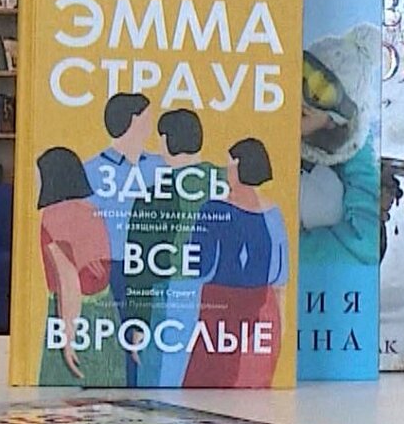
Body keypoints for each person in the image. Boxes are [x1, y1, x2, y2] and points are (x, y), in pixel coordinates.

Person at [125, 109, 223, 387]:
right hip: (224, 296)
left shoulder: (156, 193)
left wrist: (138, 321)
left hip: (171, 295)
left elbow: (141, 261)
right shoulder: (227, 182)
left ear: (167, 140)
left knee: (161, 385)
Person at [184, 138, 287, 387]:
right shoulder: (274, 214)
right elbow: (280, 277)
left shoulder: (213, 209)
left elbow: (199, 266)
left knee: (207, 382)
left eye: (229, 164)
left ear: (239, 165)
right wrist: (280, 326)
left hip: (221, 306)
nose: (226, 170)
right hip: (264, 308)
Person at [82, 93, 165, 384]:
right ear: (132, 120)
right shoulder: (90, 170)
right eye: (146, 118)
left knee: (152, 345)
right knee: (115, 346)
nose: (151, 124)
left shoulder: (160, 166)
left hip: (152, 265)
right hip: (109, 268)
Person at [36, 147, 125, 387]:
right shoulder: (92, 211)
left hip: (73, 313)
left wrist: (68, 337)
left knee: (60, 391)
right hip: (105, 310)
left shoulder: (53, 216)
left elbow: (69, 282)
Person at [298, 32, 380, 267]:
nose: (301, 96)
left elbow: (367, 240)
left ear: (334, 121)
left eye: (320, 92)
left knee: (329, 198)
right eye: (302, 75)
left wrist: (284, 246)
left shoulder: (358, 149)